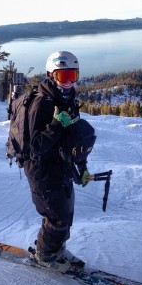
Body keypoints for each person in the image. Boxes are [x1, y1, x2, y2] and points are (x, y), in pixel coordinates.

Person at [23, 51, 90, 271]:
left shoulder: (67, 99)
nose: (69, 82)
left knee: (65, 215)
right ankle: (45, 255)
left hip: (61, 167)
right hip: (42, 171)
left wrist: (81, 168)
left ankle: (56, 248)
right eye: (64, 76)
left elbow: (73, 139)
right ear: (51, 75)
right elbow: (35, 147)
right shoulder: (42, 104)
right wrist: (55, 125)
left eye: (73, 75)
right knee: (57, 219)